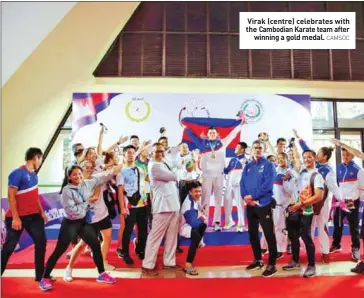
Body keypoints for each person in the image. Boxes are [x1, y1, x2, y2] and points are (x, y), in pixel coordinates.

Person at [39, 164, 122, 291]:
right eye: (74, 174)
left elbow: (104, 176)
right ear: (69, 177)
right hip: (70, 224)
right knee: (59, 250)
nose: (78, 176)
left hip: (83, 223)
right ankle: (44, 278)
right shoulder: (66, 191)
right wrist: (88, 202)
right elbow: (74, 211)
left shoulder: (87, 183)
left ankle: (101, 274)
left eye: (79, 173)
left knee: (95, 244)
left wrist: (114, 169)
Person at [63, 160, 116, 282]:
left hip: (102, 214)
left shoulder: (96, 178)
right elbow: (91, 198)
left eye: (91, 167)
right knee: (83, 244)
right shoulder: (75, 186)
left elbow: (115, 169)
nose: (89, 169)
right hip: (88, 219)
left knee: (107, 238)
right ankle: (69, 268)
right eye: (86, 167)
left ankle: (101, 266)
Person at [185, 123, 243, 231]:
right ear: (207, 134)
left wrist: (240, 126)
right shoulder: (202, 143)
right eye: (210, 132)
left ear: (217, 134)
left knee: (218, 199)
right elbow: (192, 136)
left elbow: (233, 134)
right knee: (205, 199)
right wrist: (186, 127)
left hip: (219, 175)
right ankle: (205, 221)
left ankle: (217, 223)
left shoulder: (222, 142)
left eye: (213, 132)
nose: (212, 134)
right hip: (207, 175)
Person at [1, 148, 47, 282]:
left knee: (41, 242)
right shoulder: (17, 173)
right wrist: (15, 217)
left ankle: (40, 276)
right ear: (35, 158)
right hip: (16, 218)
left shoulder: (34, 175)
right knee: (9, 247)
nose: (40, 161)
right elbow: (11, 196)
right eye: (40, 159)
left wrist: (42, 212)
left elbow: (35, 196)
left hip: (34, 216)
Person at [283, 150, 324, 278]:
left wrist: (300, 204)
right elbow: (294, 160)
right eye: (304, 157)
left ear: (315, 158)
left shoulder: (316, 176)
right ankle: (295, 261)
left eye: (309, 157)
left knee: (306, 237)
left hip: (306, 210)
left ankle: (312, 265)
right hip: (294, 208)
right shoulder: (300, 172)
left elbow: (318, 196)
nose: (306, 159)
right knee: (293, 237)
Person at [142, 142, 180, 276]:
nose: (160, 153)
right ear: (151, 153)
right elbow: (174, 176)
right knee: (155, 236)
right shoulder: (154, 166)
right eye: (157, 151)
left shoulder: (163, 163)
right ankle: (147, 265)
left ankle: (169, 262)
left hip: (173, 205)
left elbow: (174, 165)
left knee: (172, 236)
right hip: (163, 206)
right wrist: (182, 168)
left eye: (162, 151)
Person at [240, 140, 278, 277]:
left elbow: (267, 186)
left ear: (264, 149)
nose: (258, 150)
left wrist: (253, 197)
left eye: (260, 148)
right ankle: (258, 259)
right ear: (252, 149)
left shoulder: (269, 165)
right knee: (252, 234)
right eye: (255, 147)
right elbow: (242, 183)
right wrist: (245, 197)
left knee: (268, 234)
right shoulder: (248, 166)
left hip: (263, 204)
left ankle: (272, 264)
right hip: (250, 205)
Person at [330, 148, 364, 262]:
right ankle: (336, 244)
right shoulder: (338, 168)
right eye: (344, 154)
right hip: (340, 201)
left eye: (348, 155)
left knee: (353, 226)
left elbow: (362, 186)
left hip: (350, 202)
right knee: (337, 223)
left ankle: (355, 248)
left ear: (353, 156)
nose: (345, 156)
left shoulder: (358, 170)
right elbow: (336, 184)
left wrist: (355, 196)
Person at [117, 145, 149, 265]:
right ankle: (125, 253)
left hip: (143, 204)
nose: (131, 155)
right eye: (128, 153)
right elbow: (120, 191)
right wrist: (122, 207)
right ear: (124, 155)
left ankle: (140, 249)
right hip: (130, 205)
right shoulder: (121, 172)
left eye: (133, 152)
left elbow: (146, 184)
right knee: (128, 230)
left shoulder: (141, 169)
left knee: (143, 231)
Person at [179, 181, 207, 275]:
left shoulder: (194, 199)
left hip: (189, 222)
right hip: (182, 226)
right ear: (190, 192)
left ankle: (198, 242)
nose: (198, 194)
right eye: (196, 191)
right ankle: (188, 265)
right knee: (196, 236)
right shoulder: (188, 205)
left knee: (203, 225)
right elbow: (194, 223)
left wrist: (202, 212)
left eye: (199, 191)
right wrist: (202, 217)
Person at [223, 142, 248, 232]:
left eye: (237, 147)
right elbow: (226, 171)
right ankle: (229, 221)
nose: (235, 148)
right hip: (229, 184)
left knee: (239, 205)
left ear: (242, 149)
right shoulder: (232, 160)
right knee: (226, 203)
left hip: (239, 185)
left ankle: (241, 225)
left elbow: (247, 173)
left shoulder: (245, 160)